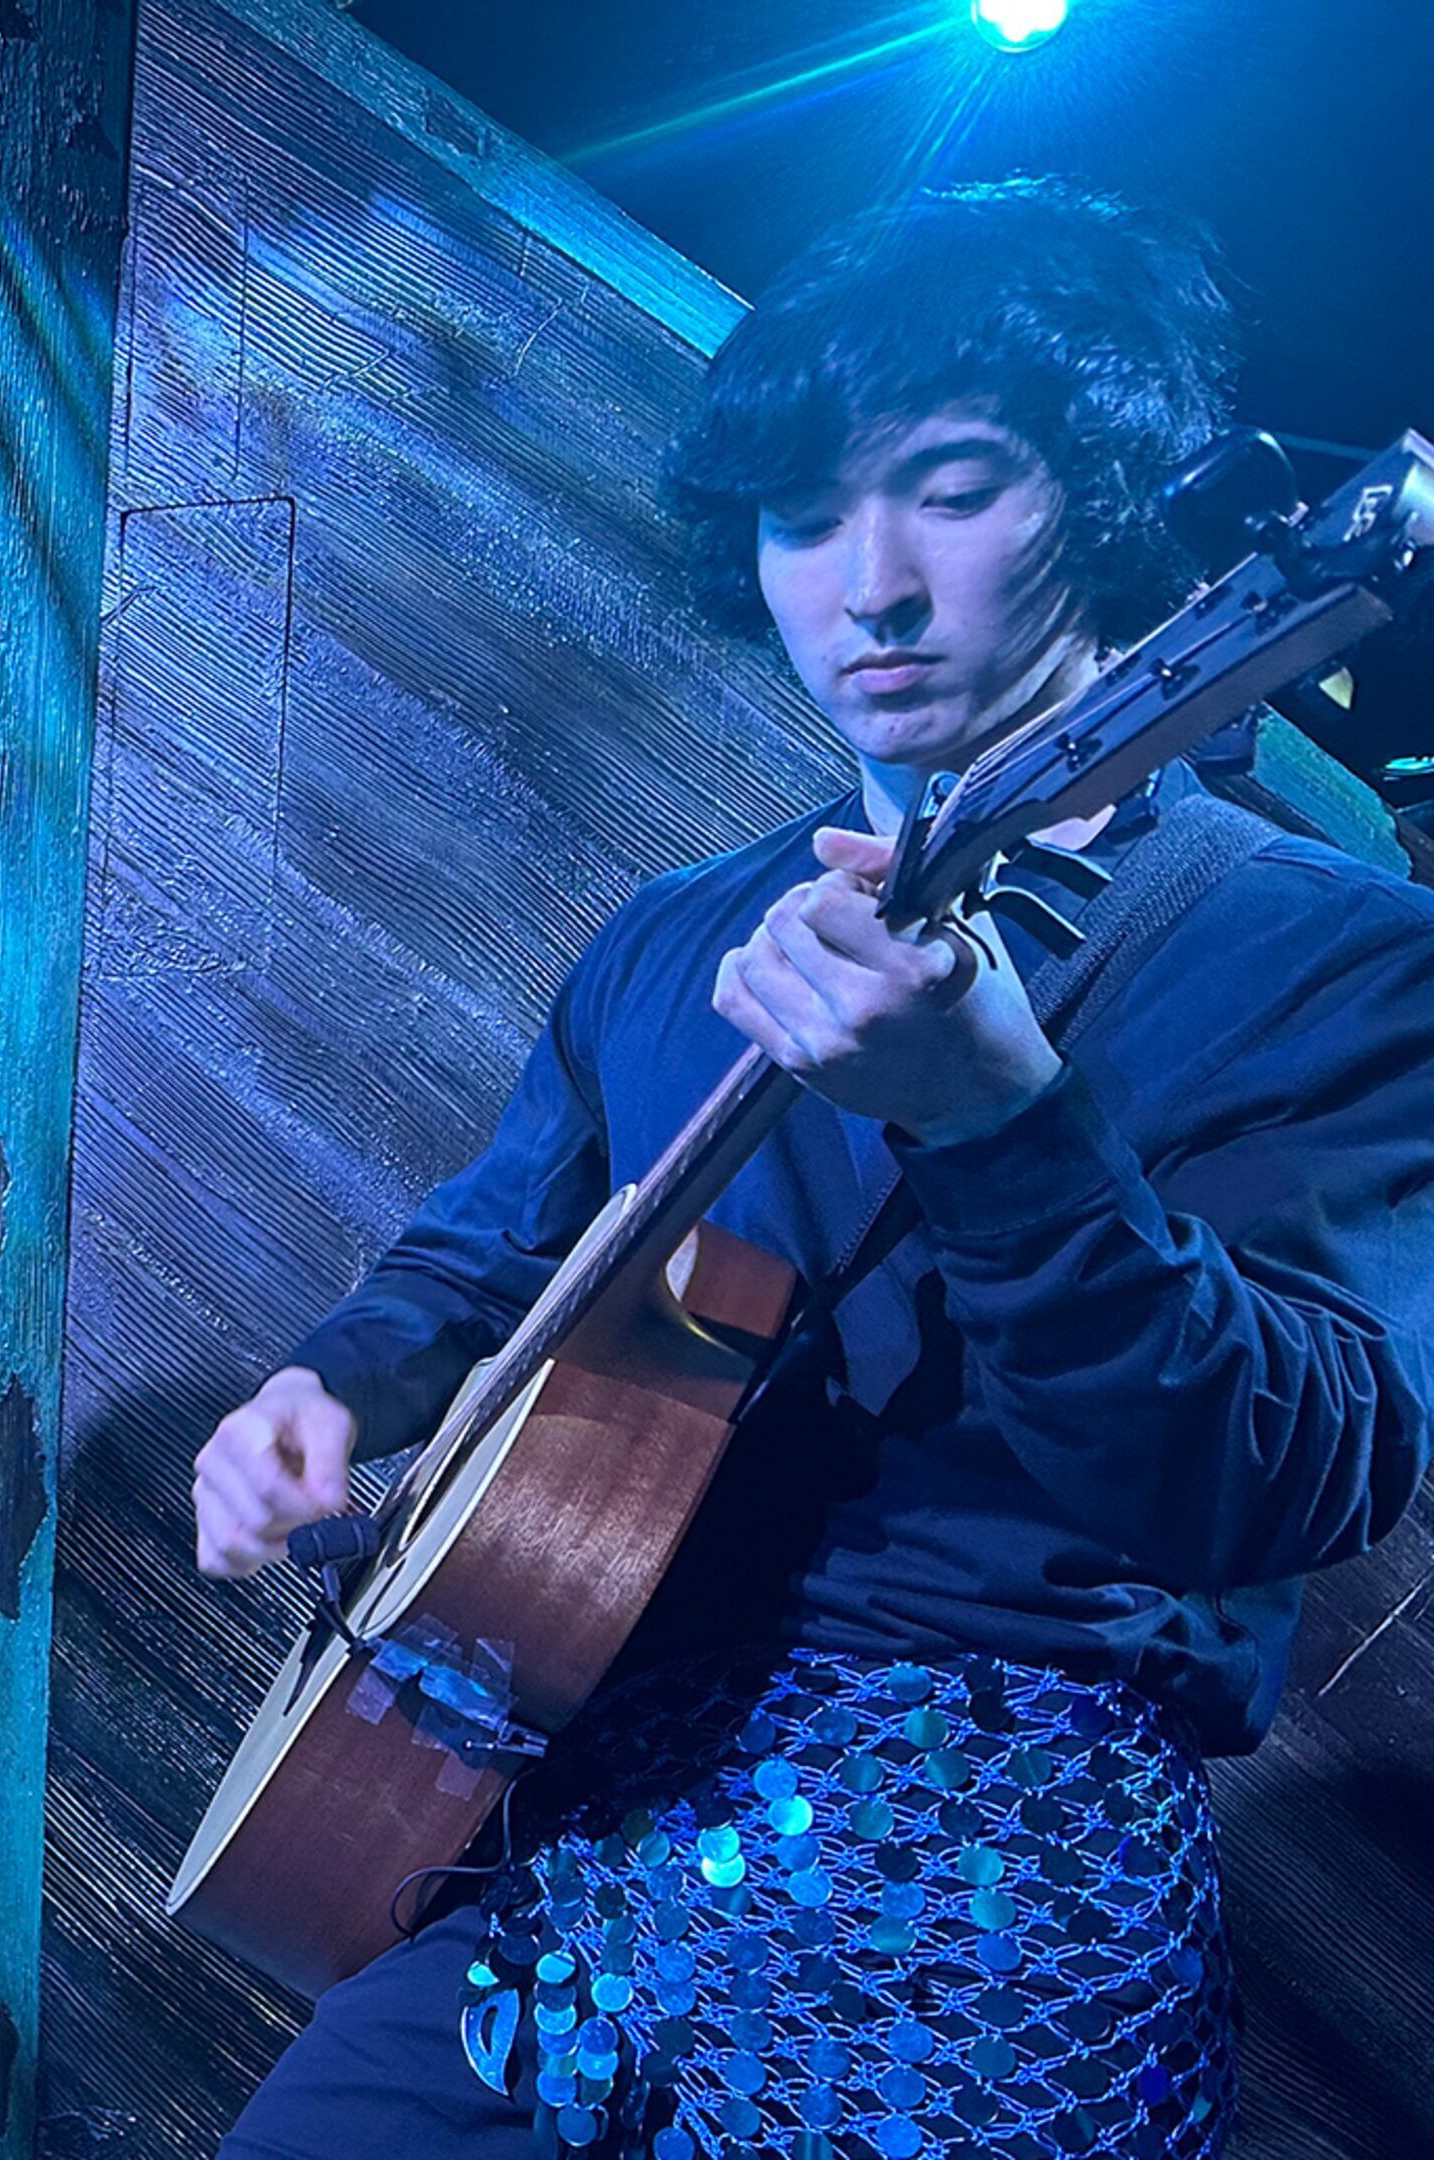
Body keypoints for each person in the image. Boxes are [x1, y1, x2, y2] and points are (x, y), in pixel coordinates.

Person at [194, 180, 1434, 2157]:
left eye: (949, 488)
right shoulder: (682, 935)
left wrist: (1001, 1122)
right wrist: (318, 1398)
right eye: (800, 517)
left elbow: (1285, 1475)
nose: (866, 589)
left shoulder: (1340, 955)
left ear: (1105, 501)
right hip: (597, 1816)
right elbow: (482, 1262)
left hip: (1007, 1884)